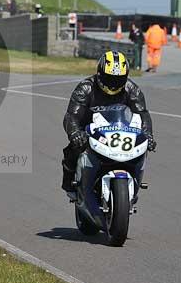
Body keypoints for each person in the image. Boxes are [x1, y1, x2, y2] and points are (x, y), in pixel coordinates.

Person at [61, 51, 155, 202]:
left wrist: (148, 135)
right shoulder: (85, 88)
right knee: (72, 150)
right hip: (90, 131)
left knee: (143, 148)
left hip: (122, 131)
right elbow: (71, 116)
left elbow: (143, 114)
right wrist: (75, 133)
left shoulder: (132, 90)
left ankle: (134, 184)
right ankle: (71, 185)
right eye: (109, 78)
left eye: (118, 79)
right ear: (99, 74)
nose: (113, 83)